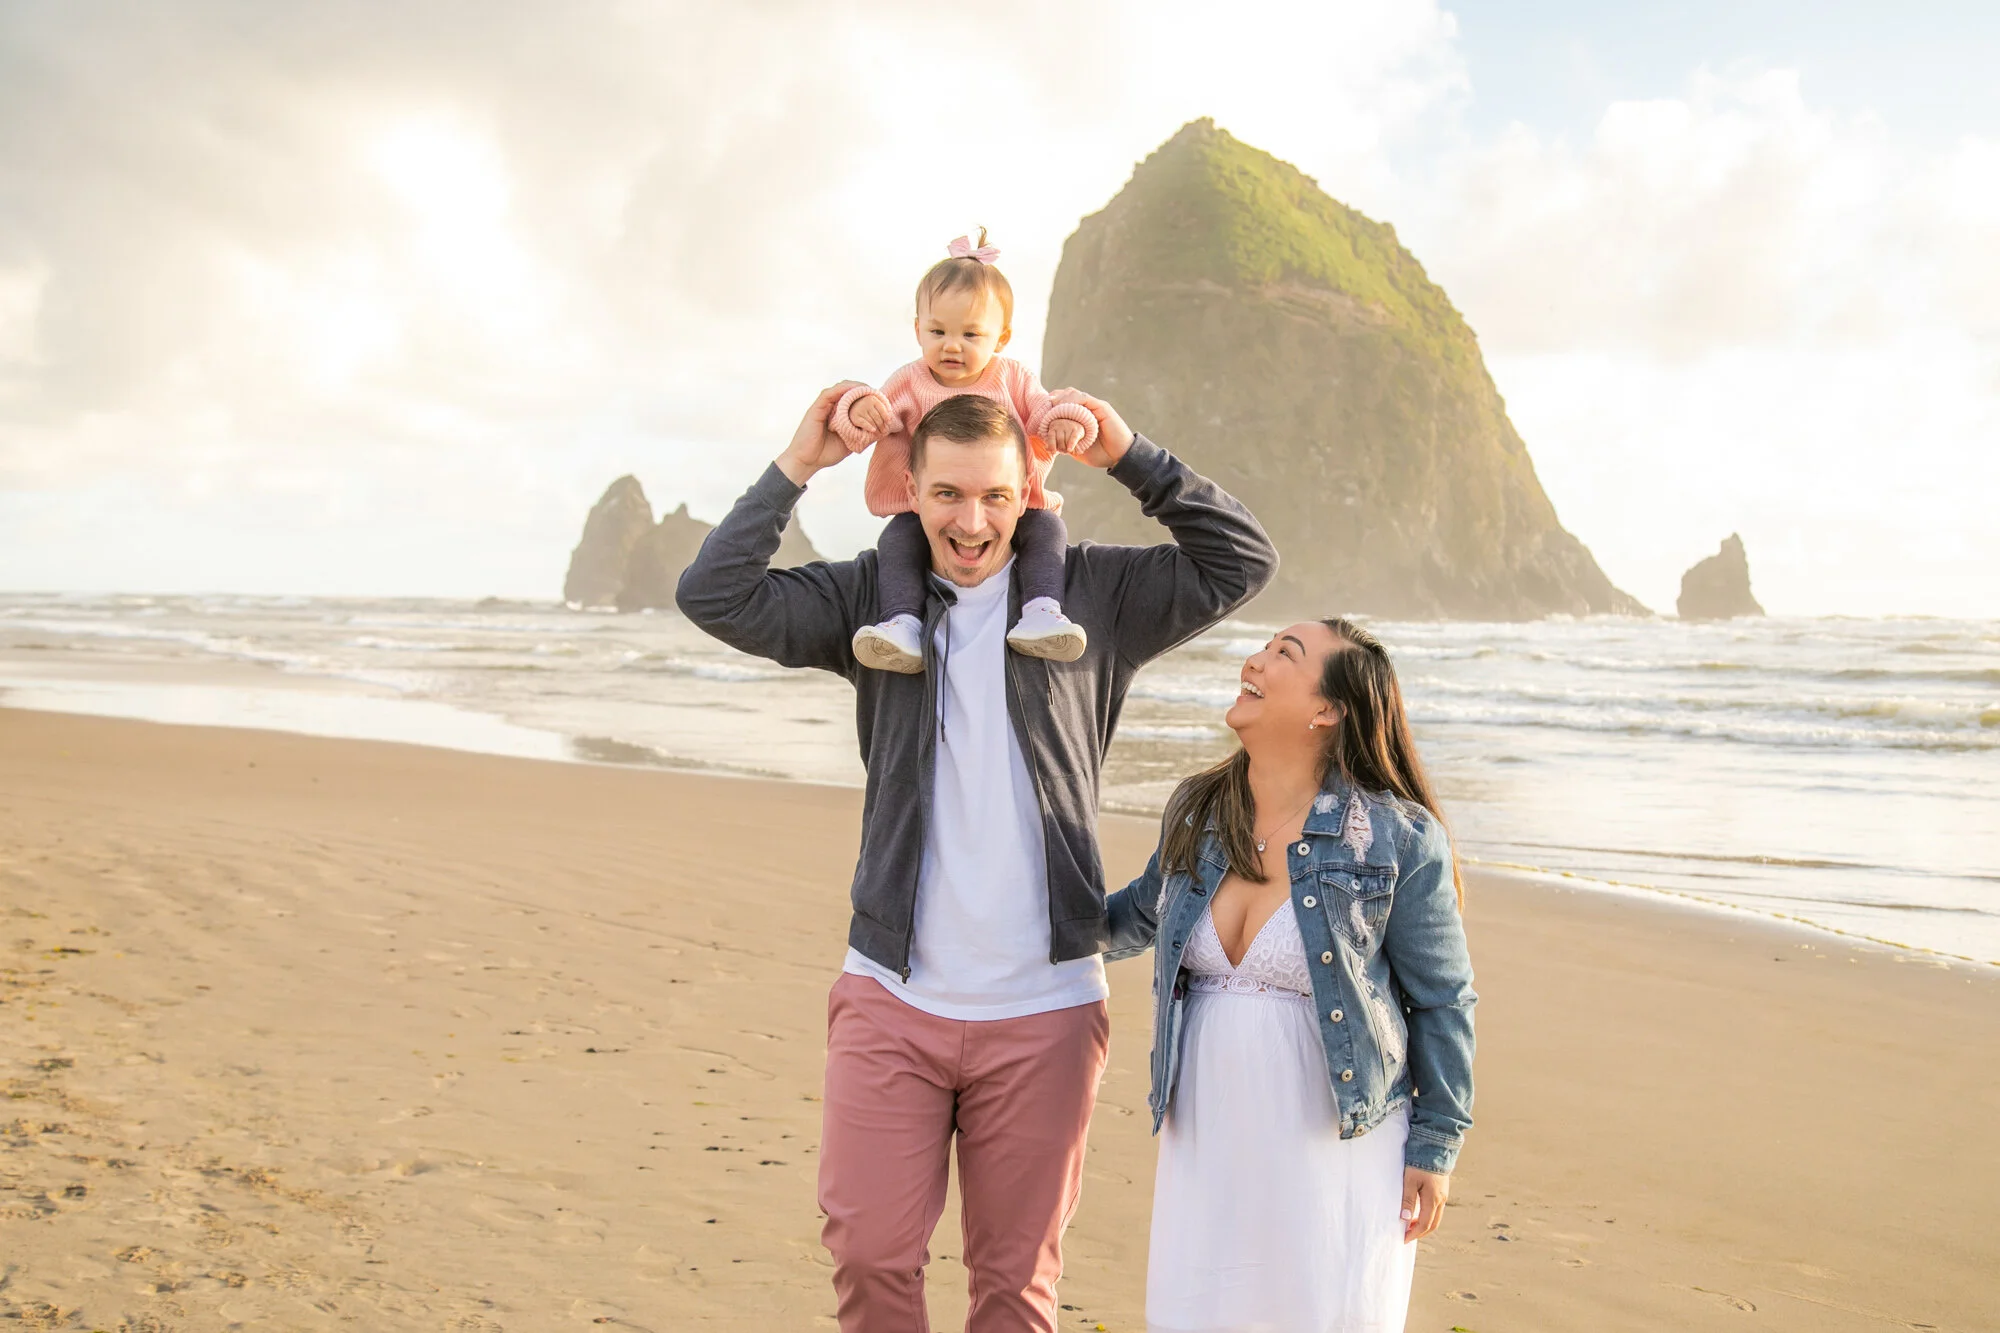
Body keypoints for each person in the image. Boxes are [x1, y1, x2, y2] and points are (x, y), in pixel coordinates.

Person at [676, 386, 1277, 1332]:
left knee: (1014, 1288)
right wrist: (801, 461)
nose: (971, 520)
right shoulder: (869, 606)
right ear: (909, 491)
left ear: (1030, 491)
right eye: (948, 494)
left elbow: (1240, 560)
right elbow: (714, 594)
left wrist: (1127, 452)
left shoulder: (1093, 598)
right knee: (870, 1256)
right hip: (891, 991)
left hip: (1044, 1005)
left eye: (996, 497)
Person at [1106, 618, 1476, 1333]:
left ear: (1327, 710)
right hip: (1207, 1137)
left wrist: (1437, 1143)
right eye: (1266, 646)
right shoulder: (1198, 809)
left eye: (1285, 653)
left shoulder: (1395, 838)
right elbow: (1135, 916)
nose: (1255, 659)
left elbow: (1443, 998)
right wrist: (1020, 919)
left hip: (1335, 1146)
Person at [832, 230, 1099, 672]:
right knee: (898, 542)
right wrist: (857, 406)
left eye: (971, 334)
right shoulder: (909, 380)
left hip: (1013, 506)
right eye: (937, 331)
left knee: (1048, 531)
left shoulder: (1010, 377)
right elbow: (868, 414)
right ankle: (902, 623)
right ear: (918, 330)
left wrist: (1069, 420)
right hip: (925, 512)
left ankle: (1041, 612)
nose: (951, 345)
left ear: (1001, 338)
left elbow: (1046, 411)